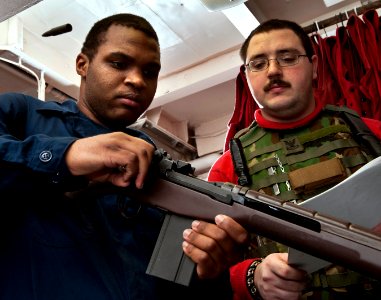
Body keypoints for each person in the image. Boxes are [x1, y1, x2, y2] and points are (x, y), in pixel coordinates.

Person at [0, 13, 248, 300]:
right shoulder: (24, 115)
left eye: (149, 72)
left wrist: (210, 271)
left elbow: (174, 284)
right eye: (118, 64)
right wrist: (66, 155)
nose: (136, 80)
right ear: (83, 64)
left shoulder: (164, 175)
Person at [203, 19, 381, 299]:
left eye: (287, 58)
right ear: (247, 76)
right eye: (258, 64)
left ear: (314, 67)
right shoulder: (226, 168)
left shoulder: (371, 133)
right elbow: (214, 269)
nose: (273, 71)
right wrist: (254, 278)